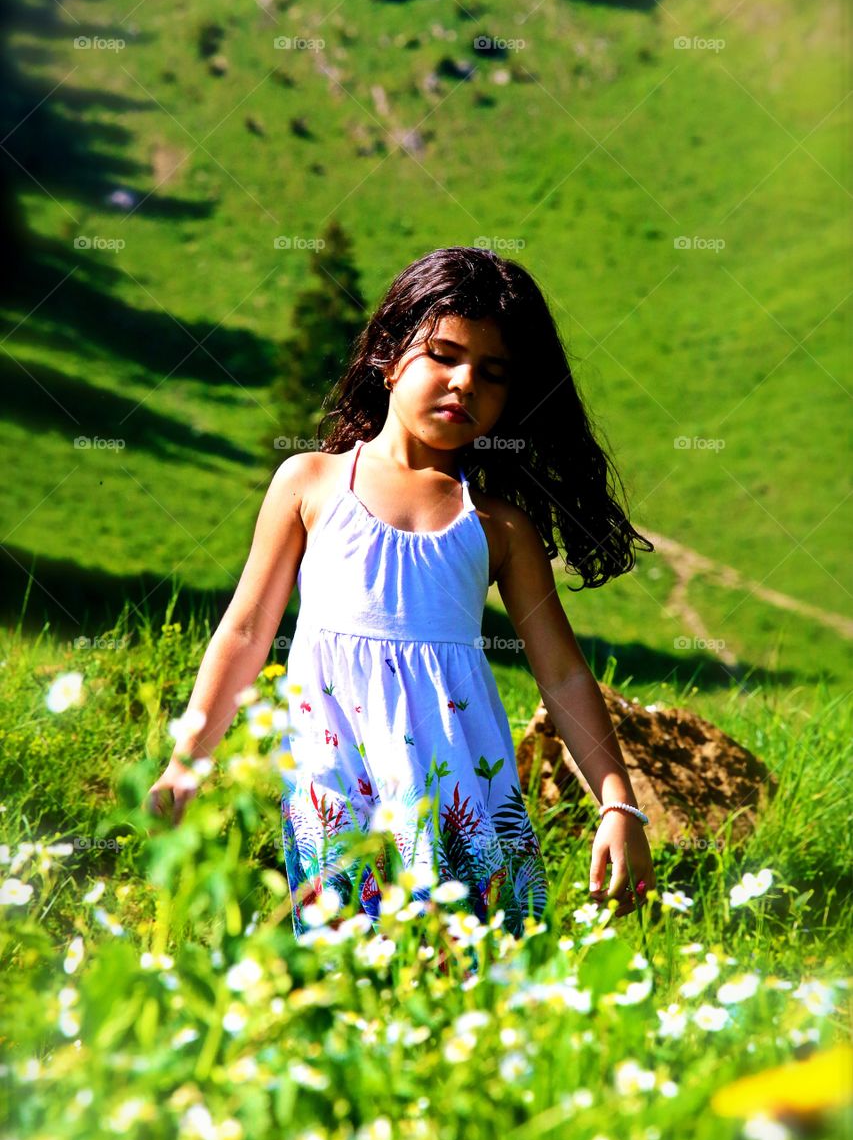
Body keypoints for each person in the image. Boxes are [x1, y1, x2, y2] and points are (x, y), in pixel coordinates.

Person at [147, 246, 657, 947]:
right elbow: (244, 631)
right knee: (343, 975)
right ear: (388, 355)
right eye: (443, 355)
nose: (464, 382)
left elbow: (562, 673)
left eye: (492, 372)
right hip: (336, 793)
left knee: (479, 981)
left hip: (462, 806)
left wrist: (617, 804)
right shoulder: (312, 483)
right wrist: (188, 760)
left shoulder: (498, 527)